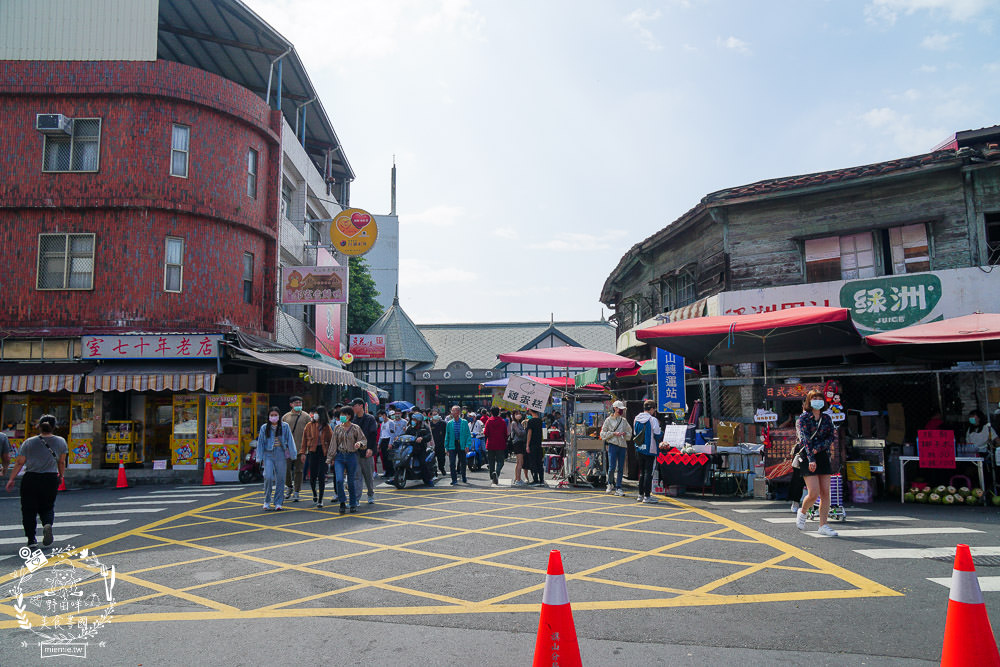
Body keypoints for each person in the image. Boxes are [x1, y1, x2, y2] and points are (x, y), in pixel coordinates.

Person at [5, 415, 67, 547]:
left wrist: (11, 479)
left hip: (31, 478)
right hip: (50, 478)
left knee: (28, 510)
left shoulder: (29, 442)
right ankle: (47, 524)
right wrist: (61, 476)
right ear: (54, 426)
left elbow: (19, 462)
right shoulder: (61, 441)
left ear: (39, 426)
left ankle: (31, 539)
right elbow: (61, 462)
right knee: (48, 506)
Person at [796, 390, 838, 537]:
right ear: (809, 401)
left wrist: (818, 449)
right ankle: (802, 512)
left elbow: (831, 436)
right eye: (814, 398)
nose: (817, 401)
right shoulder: (803, 418)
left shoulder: (826, 418)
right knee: (813, 492)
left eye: (820, 398)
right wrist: (811, 457)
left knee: (826, 493)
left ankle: (823, 525)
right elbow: (805, 439)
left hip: (822, 455)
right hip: (807, 456)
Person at [326, 407, 367, 514]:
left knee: (351, 481)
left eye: (344, 414)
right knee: (339, 480)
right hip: (339, 456)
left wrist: (359, 444)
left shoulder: (355, 428)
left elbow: (363, 440)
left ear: (349, 416)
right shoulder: (337, 428)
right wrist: (330, 458)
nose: (342, 416)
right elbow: (333, 444)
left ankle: (353, 503)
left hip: (352, 456)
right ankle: (342, 502)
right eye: (341, 414)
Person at [257, 407, 295, 511]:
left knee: (281, 479)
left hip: (281, 454)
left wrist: (293, 454)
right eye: (271, 415)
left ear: (279, 416)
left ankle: (278, 502)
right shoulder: (264, 428)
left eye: (275, 415)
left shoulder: (285, 426)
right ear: (268, 417)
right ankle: (267, 500)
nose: (273, 417)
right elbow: (260, 443)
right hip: (268, 454)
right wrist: (259, 457)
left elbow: (290, 440)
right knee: (268, 477)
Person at [302, 406, 332, 507]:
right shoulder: (309, 425)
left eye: (317, 413)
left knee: (321, 475)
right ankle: (314, 493)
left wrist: (332, 456)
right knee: (313, 476)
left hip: (323, 452)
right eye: (314, 413)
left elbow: (332, 441)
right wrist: (302, 453)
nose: (314, 415)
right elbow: (304, 440)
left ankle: (320, 499)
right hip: (312, 452)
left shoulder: (326, 427)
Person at [600, 401, 632, 496]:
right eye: (620, 408)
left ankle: (618, 487)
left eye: (622, 409)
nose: (621, 410)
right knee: (612, 467)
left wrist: (625, 434)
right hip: (613, 445)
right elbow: (602, 434)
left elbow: (629, 432)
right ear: (615, 408)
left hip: (622, 445)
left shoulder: (624, 421)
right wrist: (613, 433)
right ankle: (610, 483)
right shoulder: (608, 420)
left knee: (621, 468)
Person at [633, 400, 661, 504]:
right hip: (650, 449)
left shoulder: (637, 418)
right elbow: (657, 435)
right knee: (648, 473)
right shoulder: (652, 419)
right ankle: (647, 496)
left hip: (639, 448)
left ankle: (640, 495)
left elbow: (635, 433)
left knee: (641, 472)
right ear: (652, 409)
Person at [351, 398, 379, 505]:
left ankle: (370, 494)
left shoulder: (370, 419)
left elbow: (373, 435)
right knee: (356, 476)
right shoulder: (353, 420)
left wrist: (371, 449)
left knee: (368, 476)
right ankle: (357, 498)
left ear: (361, 406)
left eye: (354, 406)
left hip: (367, 452)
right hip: (356, 452)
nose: (353, 408)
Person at [282, 396, 309, 502]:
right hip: (287, 449)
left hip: (301, 449)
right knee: (286, 469)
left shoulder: (306, 417)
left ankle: (297, 491)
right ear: (291, 404)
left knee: (299, 471)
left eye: (300, 403)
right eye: (296, 403)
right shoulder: (285, 417)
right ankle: (289, 486)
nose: (298, 405)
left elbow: (309, 433)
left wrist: (306, 449)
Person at [404, 411, 436, 486]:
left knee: (423, 463)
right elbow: (406, 435)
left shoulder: (424, 427)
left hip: (420, 449)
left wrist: (422, 438)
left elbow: (429, 436)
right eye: (412, 419)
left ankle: (428, 479)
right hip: (410, 448)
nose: (413, 421)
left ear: (419, 421)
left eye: (414, 420)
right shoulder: (410, 428)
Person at [443, 405, 471, 485]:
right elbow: (447, 436)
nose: (453, 412)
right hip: (452, 444)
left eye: (454, 411)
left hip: (461, 444)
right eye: (452, 411)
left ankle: (464, 476)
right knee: (452, 463)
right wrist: (446, 447)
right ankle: (454, 479)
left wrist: (467, 445)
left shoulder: (464, 422)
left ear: (458, 412)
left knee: (463, 461)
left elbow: (468, 435)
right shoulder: (449, 423)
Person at [484, 407, 509, 486]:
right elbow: (506, 433)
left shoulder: (489, 421)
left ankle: (492, 476)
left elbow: (485, 433)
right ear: (499, 412)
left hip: (490, 444)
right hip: (500, 444)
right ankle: (497, 473)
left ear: (491, 412)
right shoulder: (502, 421)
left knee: (491, 462)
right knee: (501, 462)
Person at [524, 408, 546, 485]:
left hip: (532, 444)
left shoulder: (531, 421)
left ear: (530, 411)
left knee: (533, 462)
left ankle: (536, 480)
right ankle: (542, 480)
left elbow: (529, 433)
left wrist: (527, 445)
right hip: (539, 444)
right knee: (539, 462)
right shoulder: (540, 421)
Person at [509, 411, 528, 486]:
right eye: (516, 414)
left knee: (519, 462)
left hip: (520, 443)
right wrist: (525, 430)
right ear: (513, 415)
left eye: (519, 414)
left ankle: (517, 478)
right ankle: (518, 480)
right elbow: (519, 433)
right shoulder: (514, 423)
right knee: (520, 462)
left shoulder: (519, 423)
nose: (519, 415)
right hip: (517, 444)